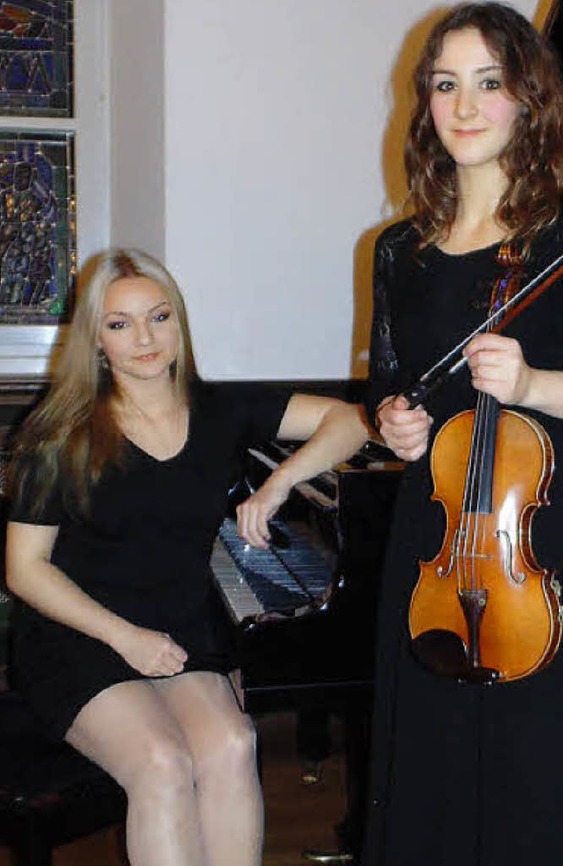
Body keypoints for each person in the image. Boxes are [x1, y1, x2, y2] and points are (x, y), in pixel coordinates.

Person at [362, 3, 563, 865]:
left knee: (549, 779)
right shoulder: (397, 250)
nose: (466, 104)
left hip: (549, 546)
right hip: (437, 546)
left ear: (529, 101)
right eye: (447, 84)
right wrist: (396, 424)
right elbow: (391, 387)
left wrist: (533, 385)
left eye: (490, 82)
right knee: (439, 780)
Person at [4, 248, 370, 866]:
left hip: (177, 626)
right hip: (78, 634)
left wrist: (281, 482)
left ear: (180, 324)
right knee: (163, 763)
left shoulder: (221, 412)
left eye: (159, 317)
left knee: (232, 742)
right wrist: (125, 638)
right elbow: (24, 569)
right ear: (97, 341)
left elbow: (351, 420)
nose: (144, 338)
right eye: (120, 325)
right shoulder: (58, 434)